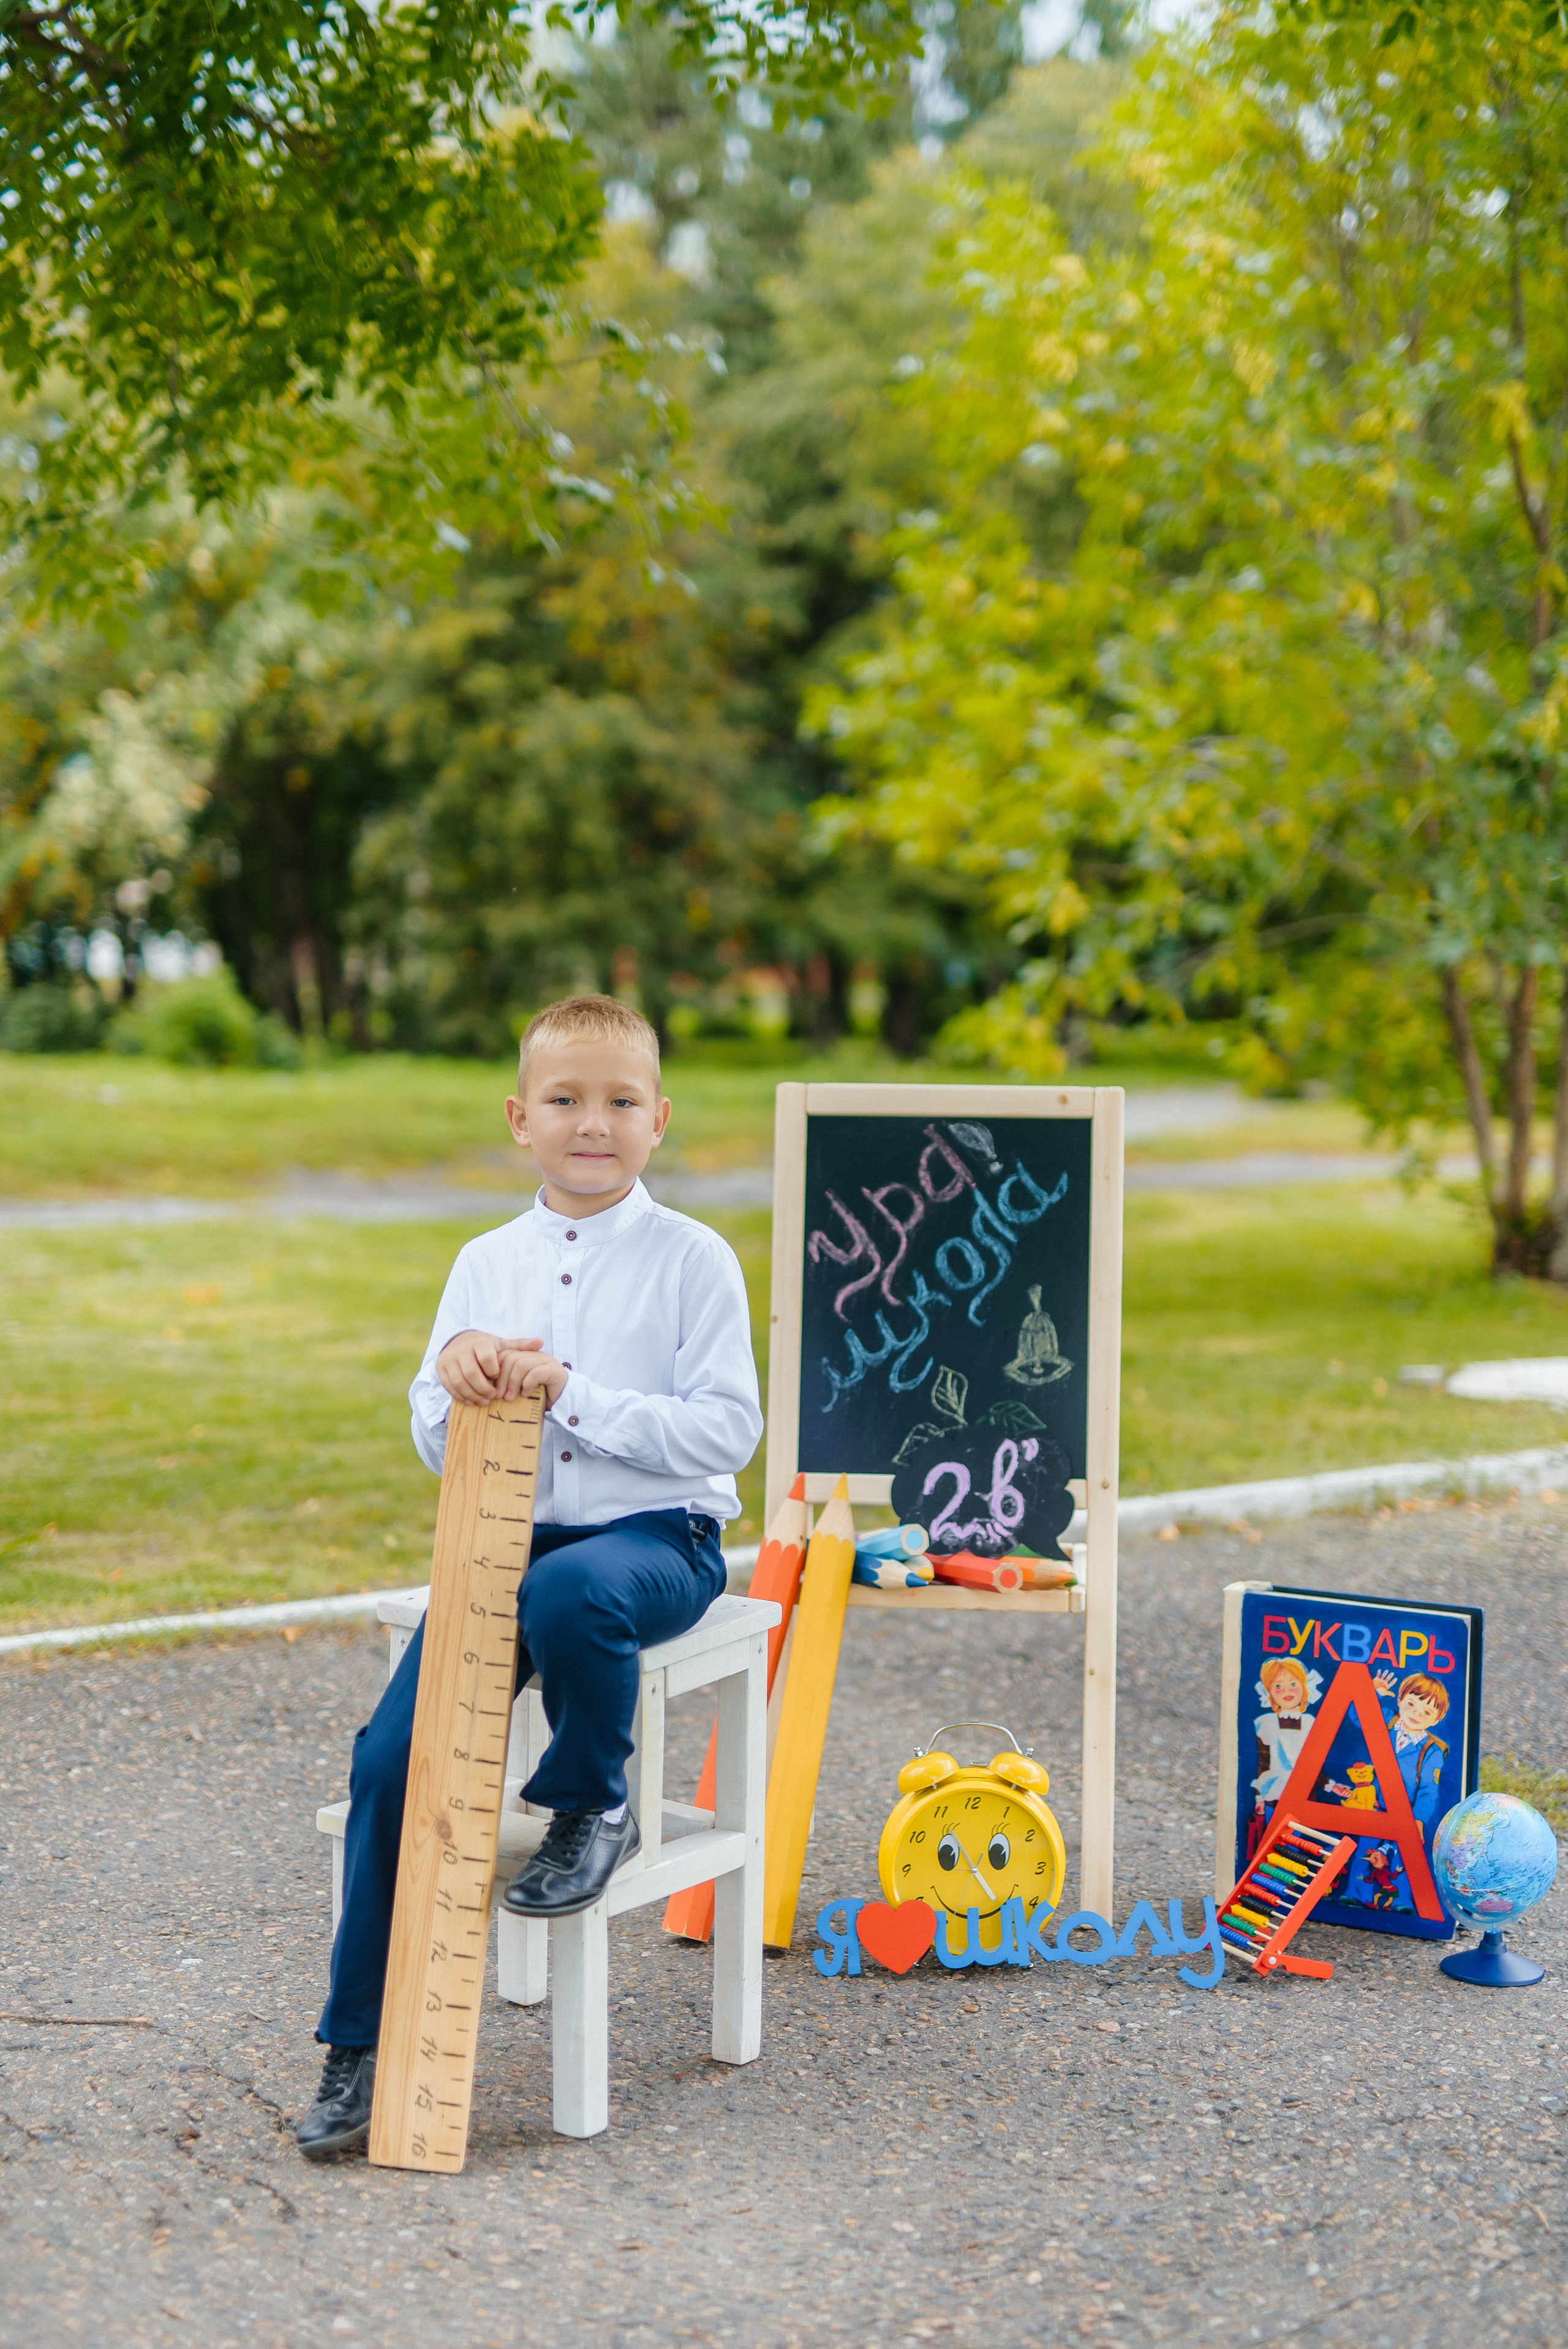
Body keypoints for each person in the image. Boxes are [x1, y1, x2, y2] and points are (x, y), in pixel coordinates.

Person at [296, 995, 763, 2158]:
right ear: (520, 1118)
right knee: (388, 1760)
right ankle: (360, 2047)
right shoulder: (484, 1260)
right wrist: (454, 1381)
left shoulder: (692, 1259)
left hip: (656, 1544)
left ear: (659, 1120)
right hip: (500, 1546)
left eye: (617, 1102)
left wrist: (578, 1397)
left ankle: (589, 1800)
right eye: (564, 1100)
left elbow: (727, 1436)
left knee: (572, 1595)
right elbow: (429, 1429)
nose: (589, 1123)